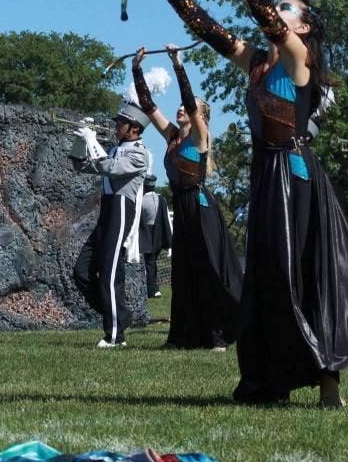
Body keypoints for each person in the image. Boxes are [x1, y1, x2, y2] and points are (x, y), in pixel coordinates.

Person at [157, 0, 348, 407]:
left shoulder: (298, 57)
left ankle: (328, 382)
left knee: (300, 272)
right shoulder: (258, 63)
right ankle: (270, 379)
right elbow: (211, 30)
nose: (278, 12)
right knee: (266, 277)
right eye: (280, 6)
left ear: (302, 25)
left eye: (288, 9)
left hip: (296, 178)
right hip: (266, 180)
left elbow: (263, 14)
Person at [132, 45, 244, 350]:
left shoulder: (200, 136)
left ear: (200, 117)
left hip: (200, 206)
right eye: (181, 105)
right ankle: (181, 337)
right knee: (184, 270)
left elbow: (192, 109)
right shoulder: (172, 136)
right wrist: (137, 69)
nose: (181, 108)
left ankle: (219, 334)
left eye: (188, 106)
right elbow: (147, 104)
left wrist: (177, 65)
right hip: (181, 206)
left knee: (209, 268)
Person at [70, 102, 150, 348]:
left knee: (109, 275)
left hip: (121, 212)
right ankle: (118, 314)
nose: (116, 126)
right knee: (81, 271)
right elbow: (79, 165)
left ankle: (115, 335)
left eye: (121, 123)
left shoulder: (139, 153)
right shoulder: (114, 149)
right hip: (106, 212)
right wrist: (82, 141)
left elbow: (109, 168)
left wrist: (93, 141)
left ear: (134, 128)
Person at [137, 174, 172, 298]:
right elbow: (166, 218)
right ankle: (153, 288)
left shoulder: (140, 200)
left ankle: (151, 289)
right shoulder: (161, 199)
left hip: (146, 233)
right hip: (159, 235)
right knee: (152, 263)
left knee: (149, 263)